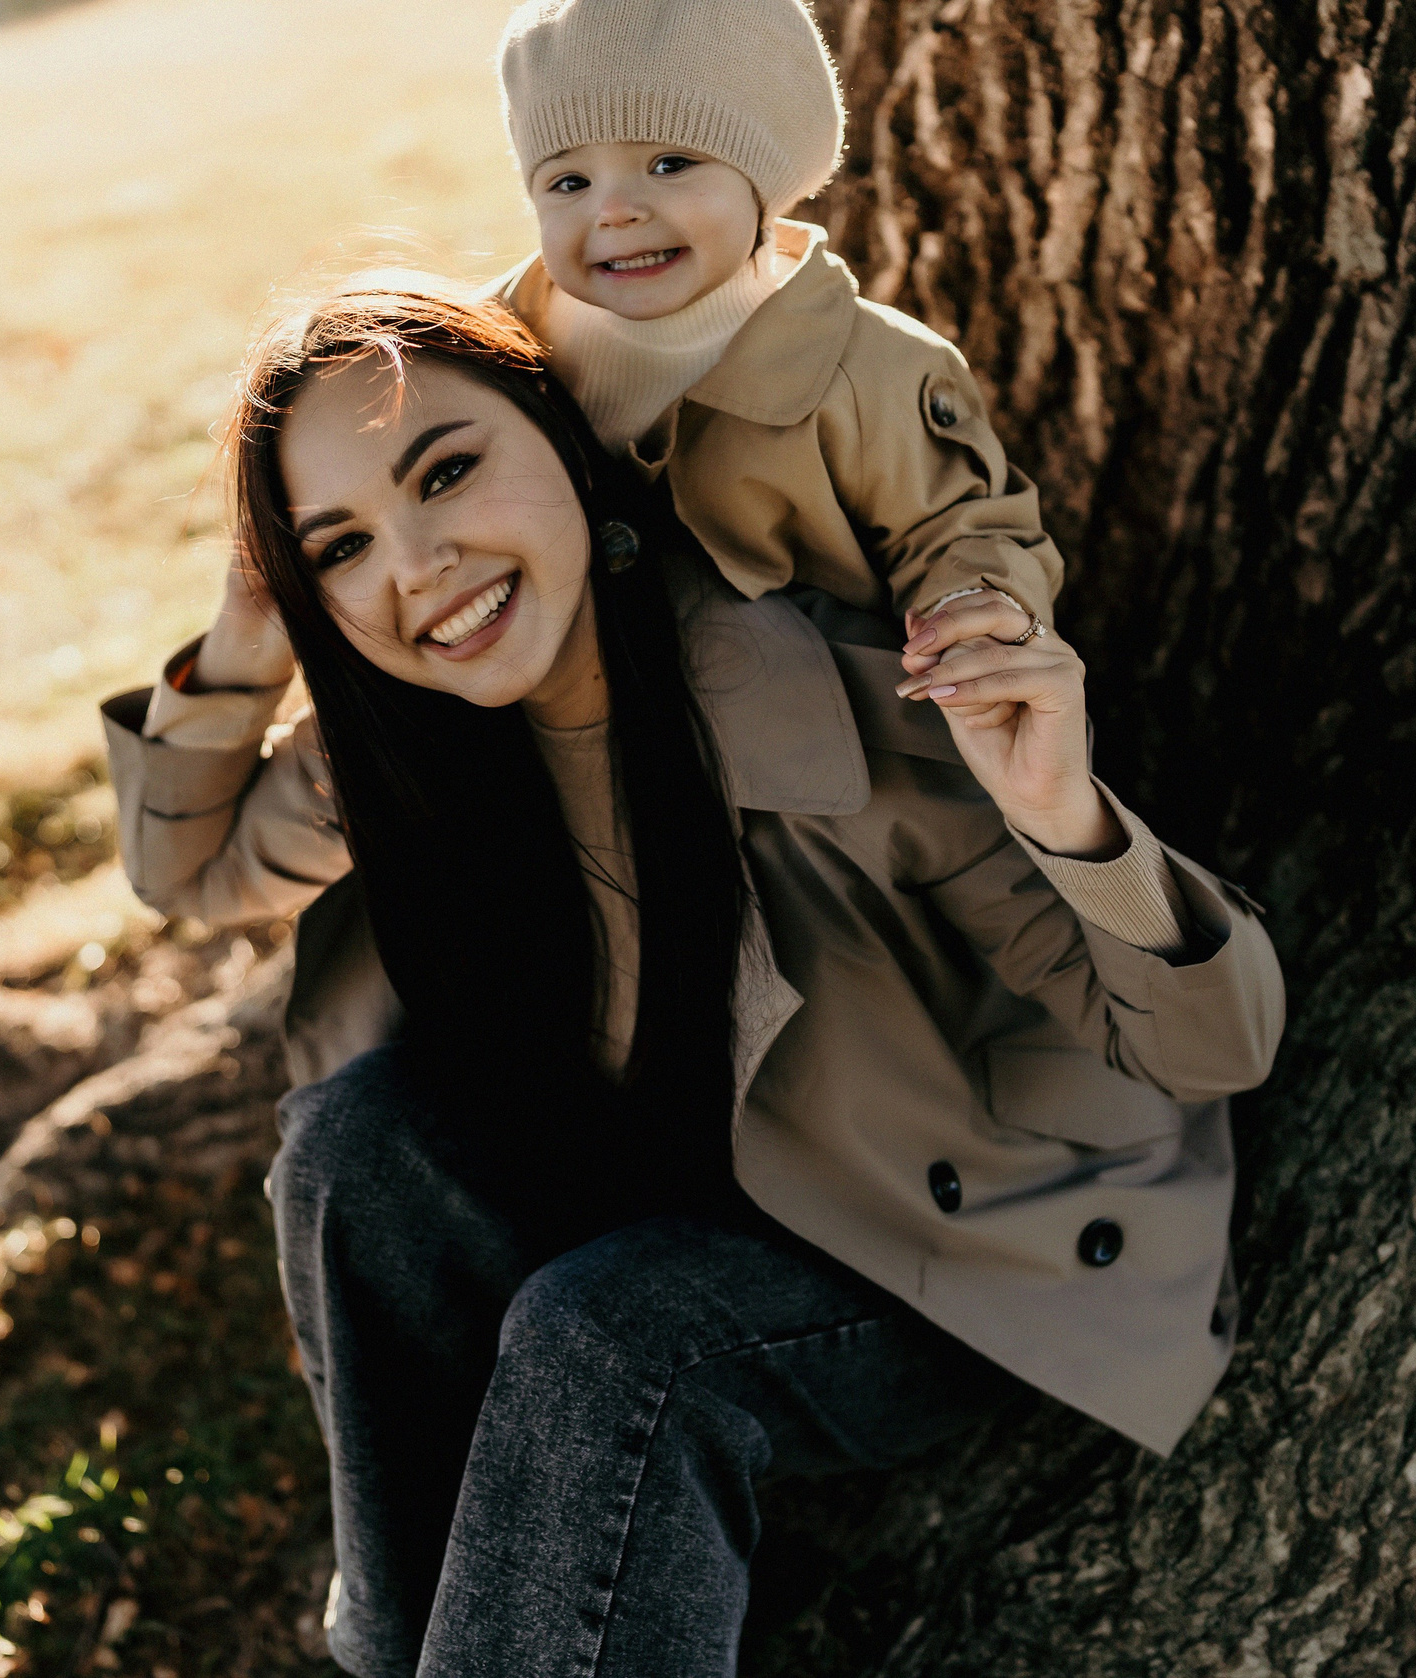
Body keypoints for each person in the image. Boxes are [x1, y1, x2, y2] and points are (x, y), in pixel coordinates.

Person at [101, 285, 1283, 1677]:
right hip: (632, 1209)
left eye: (449, 471)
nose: (418, 566)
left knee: (612, 1332)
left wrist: (1063, 814)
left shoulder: (834, 705)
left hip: (917, 1258)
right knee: (355, 1146)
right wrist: (247, 637)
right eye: (342, 547)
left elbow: (1211, 1049)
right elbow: (183, 868)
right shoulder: (402, 756)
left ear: (566, 442)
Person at [492, 0, 1068, 712]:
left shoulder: (870, 370)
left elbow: (957, 526)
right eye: (569, 183)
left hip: (820, 730)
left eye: (670, 164)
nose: (613, 211)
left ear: (763, 181)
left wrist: (969, 605)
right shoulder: (491, 344)